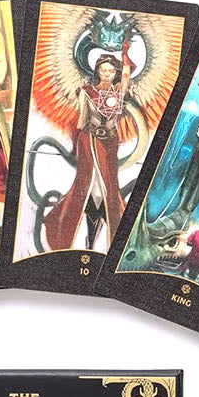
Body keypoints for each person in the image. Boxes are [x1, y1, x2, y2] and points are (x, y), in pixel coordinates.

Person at [43, 49, 132, 251]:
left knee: (109, 185)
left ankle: (103, 234)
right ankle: (81, 233)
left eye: (111, 71)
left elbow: (126, 77)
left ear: (116, 73)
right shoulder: (86, 92)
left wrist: (125, 54)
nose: (107, 74)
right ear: (97, 71)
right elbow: (82, 121)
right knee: (87, 183)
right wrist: (78, 146)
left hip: (109, 143)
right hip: (89, 140)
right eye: (103, 70)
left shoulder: (119, 91)